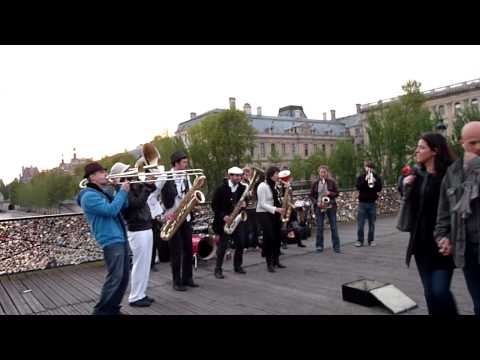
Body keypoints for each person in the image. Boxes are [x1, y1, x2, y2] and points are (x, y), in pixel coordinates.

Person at [403, 133, 458, 315]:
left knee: (440, 291)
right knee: (429, 293)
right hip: (420, 243)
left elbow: (457, 209)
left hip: (442, 242)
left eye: (422, 147)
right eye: (417, 147)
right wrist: (405, 184)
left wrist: (449, 236)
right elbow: (409, 201)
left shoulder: (450, 175)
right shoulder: (417, 175)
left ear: (434, 151)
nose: (417, 151)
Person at [435, 121, 480, 315]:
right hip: (467, 249)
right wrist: (442, 237)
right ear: (462, 142)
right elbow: (443, 214)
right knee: (478, 301)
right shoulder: (452, 172)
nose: (478, 148)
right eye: (473, 143)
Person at [77, 162, 130, 315]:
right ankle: (101, 312)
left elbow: (123, 206)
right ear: (92, 177)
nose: (105, 174)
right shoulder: (88, 196)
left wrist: (119, 188)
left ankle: (113, 309)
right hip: (110, 240)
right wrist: (122, 192)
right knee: (115, 278)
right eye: (101, 172)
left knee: (123, 278)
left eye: (104, 171)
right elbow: (111, 211)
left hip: (119, 237)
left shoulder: (102, 192)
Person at [110, 162, 157, 308]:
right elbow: (136, 203)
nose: (132, 171)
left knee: (145, 264)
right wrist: (147, 186)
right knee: (139, 264)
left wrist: (150, 183)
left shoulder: (133, 185)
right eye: (128, 171)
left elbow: (147, 191)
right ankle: (135, 296)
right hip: (137, 229)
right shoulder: (122, 190)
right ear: (122, 175)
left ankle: (141, 293)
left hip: (146, 226)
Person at [161, 150, 198, 291]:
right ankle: (176, 281)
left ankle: (188, 278)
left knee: (188, 249)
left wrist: (192, 201)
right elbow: (152, 197)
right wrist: (162, 214)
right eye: (184, 162)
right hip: (172, 217)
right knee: (176, 251)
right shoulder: (165, 176)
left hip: (185, 217)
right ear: (175, 163)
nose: (186, 165)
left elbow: (188, 193)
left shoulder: (186, 176)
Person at [211, 166, 248, 279]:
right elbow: (214, 205)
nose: (238, 178)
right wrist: (223, 216)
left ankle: (237, 266)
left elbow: (246, 199)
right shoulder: (221, 189)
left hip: (237, 220)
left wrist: (245, 204)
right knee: (223, 246)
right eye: (236, 176)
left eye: (239, 176)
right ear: (230, 176)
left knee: (241, 243)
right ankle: (218, 269)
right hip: (224, 221)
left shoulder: (243, 187)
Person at [256, 166, 286, 272]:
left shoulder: (275, 186)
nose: (278, 176)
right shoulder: (262, 186)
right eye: (277, 174)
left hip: (274, 213)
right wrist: (276, 209)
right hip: (264, 213)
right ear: (271, 175)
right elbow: (262, 204)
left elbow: (276, 199)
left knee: (277, 236)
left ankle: (276, 261)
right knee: (269, 237)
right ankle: (269, 263)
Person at [310, 165, 341, 253]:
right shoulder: (315, 183)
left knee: (334, 227)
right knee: (319, 227)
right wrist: (317, 203)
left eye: (324, 172)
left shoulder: (332, 182)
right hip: (319, 206)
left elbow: (337, 193)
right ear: (319, 173)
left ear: (327, 173)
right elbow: (311, 195)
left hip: (330, 206)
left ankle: (336, 246)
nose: (323, 174)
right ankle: (319, 246)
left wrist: (329, 193)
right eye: (321, 172)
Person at [355, 161, 383, 247]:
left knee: (372, 224)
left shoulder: (376, 177)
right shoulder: (361, 177)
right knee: (360, 224)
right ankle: (360, 240)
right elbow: (358, 187)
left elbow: (379, 189)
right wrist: (365, 180)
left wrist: (375, 182)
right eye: (367, 167)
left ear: (372, 168)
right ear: (365, 168)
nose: (368, 168)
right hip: (362, 203)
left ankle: (371, 240)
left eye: (370, 167)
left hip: (372, 203)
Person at [242, 166, 259, 250]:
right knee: (246, 227)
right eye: (245, 173)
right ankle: (245, 245)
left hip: (254, 206)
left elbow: (256, 194)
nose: (246, 174)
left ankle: (255, 244)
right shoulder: (241, 184)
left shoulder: (254, 182)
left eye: (248, 172)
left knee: (255, 226)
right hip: (246, 208)